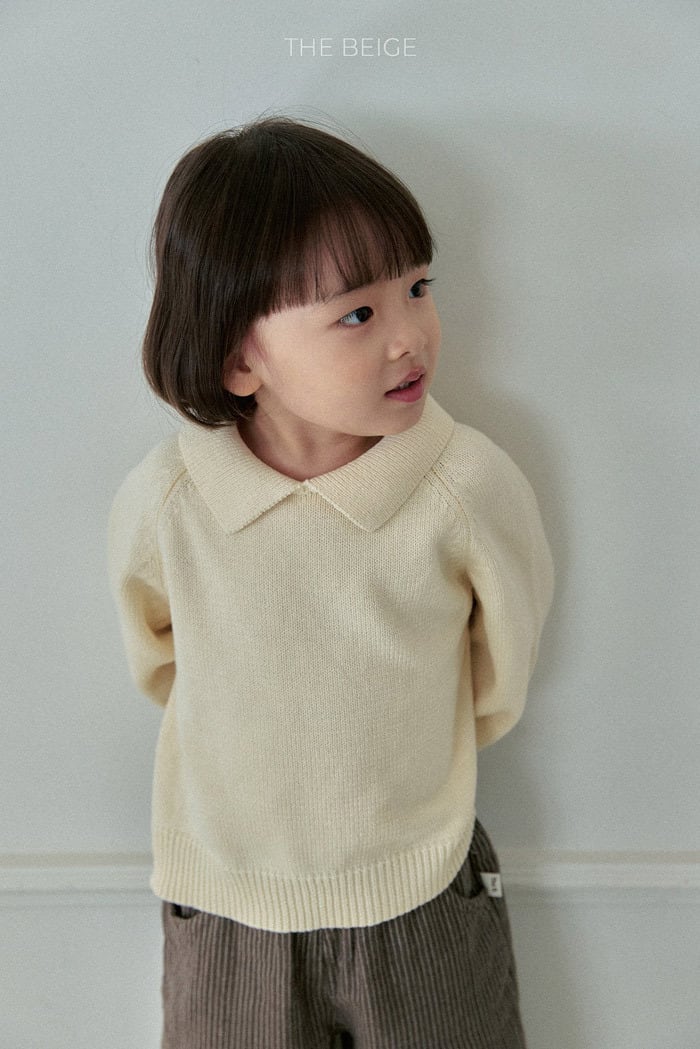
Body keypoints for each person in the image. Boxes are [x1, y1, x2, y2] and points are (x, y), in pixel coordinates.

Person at [108, 115, 554, 1049]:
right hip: (226, 906)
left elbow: (499, 670)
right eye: (358, 313)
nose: (410, 337)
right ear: (240, 358)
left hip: (419, 892)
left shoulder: (464, 487)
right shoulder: (171, 501)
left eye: (418, 288)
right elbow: (158, 658)